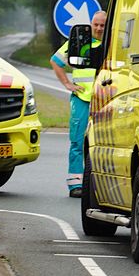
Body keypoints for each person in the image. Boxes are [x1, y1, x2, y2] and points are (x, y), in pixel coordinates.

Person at [50, 11, 106, 198]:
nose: (98, 28)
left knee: (103, 142)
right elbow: (56, 61)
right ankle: (75, 184)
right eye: (96, 24)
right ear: (91, 24)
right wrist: (67, 83)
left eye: (102, 25)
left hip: (104, 101)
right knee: (77, 141)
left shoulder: (112, 45)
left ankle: (100, 183)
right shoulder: (80, 42)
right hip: (82, 99)